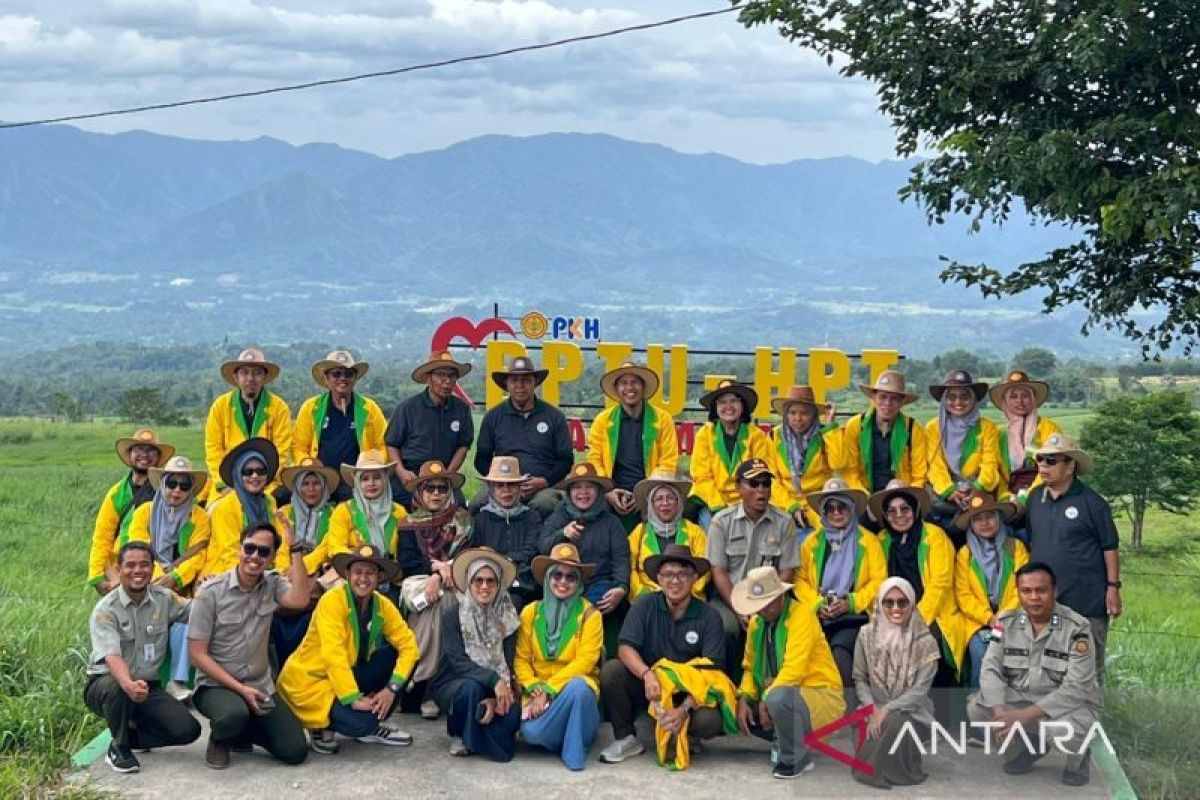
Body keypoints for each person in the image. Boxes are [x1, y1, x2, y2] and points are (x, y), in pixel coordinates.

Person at [188, 519, 313, 769]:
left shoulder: (272, 584)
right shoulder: (210, 592)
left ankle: (243, 731)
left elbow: (300, 600)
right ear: (239, 548)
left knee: (295, 750)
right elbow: (197, 654)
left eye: (264, 552)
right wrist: (240, 689)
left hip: (259, 685)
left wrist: (296, 548)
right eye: (250, 548)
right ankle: (221, 738)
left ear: (272, 558)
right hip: (216, 686)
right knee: (233, 714)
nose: (255, 556)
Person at [966, 562, 1101, 786]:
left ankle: (1078, 759)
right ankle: (1026, 749)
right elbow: (990, 668)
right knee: (978, 709)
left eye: (1041, 590)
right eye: (1026, 591)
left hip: (1065, 705)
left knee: (1065, 732)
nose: (1034, 597)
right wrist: (1000, 713)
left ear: (1054, 591)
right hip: (1021, 697)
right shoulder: (1003, 623)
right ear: (1018, 593)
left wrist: (1022, 716)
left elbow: (1076, 689)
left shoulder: (1077, 628)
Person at [278, 544, 420, 755]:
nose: (363, 578)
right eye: (358, 572)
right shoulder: (332, 601)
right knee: (361, 724)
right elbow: (332, 655)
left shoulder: (382, 605)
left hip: (344, 676)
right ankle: (321, 727)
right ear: (347, 574)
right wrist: (352, 698)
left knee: (396, 655)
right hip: (310, 683)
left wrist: (391, 688)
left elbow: (409, 646)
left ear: (379, 577)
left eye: (370, 573)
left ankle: (367, 720)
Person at [598, 545, 731, 768]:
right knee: (612, 671)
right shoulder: (644, 604)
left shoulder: (710, 616)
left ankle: (687, 734)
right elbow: (625, 647)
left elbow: (713, 675)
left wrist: (684, 709)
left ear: (695, 578)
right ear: (659, 578)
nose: (675, 581)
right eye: (668, 574)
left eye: (683, 574)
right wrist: (646, 673)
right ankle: (627, 738)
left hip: (688, 694)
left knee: (710, 720)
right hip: (653, 690)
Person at [84, 541, 200, 774]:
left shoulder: (164, 598)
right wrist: (128, 684)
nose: (138, 571)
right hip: (108, 685)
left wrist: (214, 592)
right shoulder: (106, 610)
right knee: (116, 688)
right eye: (130, 565)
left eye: (145, 565)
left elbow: (198, 611)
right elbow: (112, 656)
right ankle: (119, 747)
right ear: (119, 569)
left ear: (152, 567)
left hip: (147, 687)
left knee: (188, 730)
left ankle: (131, 735)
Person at [1024, 434, 1121, 682]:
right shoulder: (1035, 499)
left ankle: (1088, 720)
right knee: (1048, 670)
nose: (1043, 467)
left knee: (1087, 669)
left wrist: (1113, 588)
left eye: (1051, 461)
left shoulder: (1093, 503)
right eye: (1041, 460)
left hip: (1086, 600)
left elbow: (1109, 547)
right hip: (1047, 602)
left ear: (1070, 467)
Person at [733, 566, 844, 781]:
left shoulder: (802, 615)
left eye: (770, 601)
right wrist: (744, 697)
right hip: (777, 691)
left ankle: (796, 758)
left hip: (818, 694)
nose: (764, 608)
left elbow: (794, 669)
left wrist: (766, 699)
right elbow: (749, 666)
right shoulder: (757, 623)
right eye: (759, 604)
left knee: (778, 697)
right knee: (733, 700)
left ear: (782, 595)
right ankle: (782, 736)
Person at [867, 479, 965, 720]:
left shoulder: (935, 536)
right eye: (892, 511)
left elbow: (940, 585)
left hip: (933, 612)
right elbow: (874, 584)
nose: (899, 516)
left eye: (905, 509)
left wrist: (916, 619)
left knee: (927, 643)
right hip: (893, 612)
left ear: (915, 510)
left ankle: (940, 717)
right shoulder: (880, 540)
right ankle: (896, 716)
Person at [121, 455, 211, 701]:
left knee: (188, 615)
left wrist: (177, 578)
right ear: (162, 484)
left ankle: (177, 680)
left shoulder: (199, 517)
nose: (177, 491)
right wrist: (159, 576)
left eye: (184, 486)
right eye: (172, 483)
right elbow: (138, 546)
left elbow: (199, 554)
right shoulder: (145, 512)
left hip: (183, 585)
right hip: (148, 580)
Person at [795, 477, 886, 705]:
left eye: (842, 507)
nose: (836, 513)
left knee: (840, 651)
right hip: (818, 614)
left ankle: (851, 711)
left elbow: (879, 581)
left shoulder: (868, 541)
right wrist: (817, 604)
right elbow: (799, 580)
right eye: (830, 508)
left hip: (854, 616)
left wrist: (852, 602)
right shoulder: (811, 543)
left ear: (852, 509)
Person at [514, 543, 604, 771]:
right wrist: (535, 687)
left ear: (579, 583)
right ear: (547, 578)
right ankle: (571, 735)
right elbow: (521, 659)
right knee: (531, 733)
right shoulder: (530, 612)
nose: (563, 582)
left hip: (572, 692)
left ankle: (573, 753)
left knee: (579, 689)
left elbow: (586, 661)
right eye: (557, 574)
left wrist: (550, 690)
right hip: (537, 692)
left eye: (571, 577)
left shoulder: (590, 615)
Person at [706, 458, 798, 678]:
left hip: (769, 597)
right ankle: (728, 687)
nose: (761, 490)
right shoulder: (721, 522)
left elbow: (787, 570)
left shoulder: (784, 522)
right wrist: (739, 607)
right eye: (754, 484)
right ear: (739, 488)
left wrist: (766, 603)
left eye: (766, 484)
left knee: (784, 626)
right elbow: (718, 570)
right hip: (728, 598)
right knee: (727, 628)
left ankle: (771, 688)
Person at [429, 548, 522, 761]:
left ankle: (478, 730)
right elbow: (458, 662)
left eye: (491, 581)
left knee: (512, 715)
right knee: (470, 689)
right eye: (478, 580)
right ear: (469, 583)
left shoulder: (508, 614)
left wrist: (499, 693)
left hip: (498, 684)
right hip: (457, 682)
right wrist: (493, 681)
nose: (484, 587)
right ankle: (459, 733)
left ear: (499, 584)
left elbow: (509, 660)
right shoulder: (453, 614)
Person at [397, 460, 473, 718]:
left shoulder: (463, 520)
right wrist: (435, 571)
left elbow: (468, 557)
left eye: (442, 488)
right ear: (420, 491)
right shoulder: (407, 523)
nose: (437, 494)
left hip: (454, 580)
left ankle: (421, 683)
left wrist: (444, 571)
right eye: (430, 488)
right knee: (432, 602)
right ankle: (428, 686)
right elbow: (407, 563)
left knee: (443, 604)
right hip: (418, 582)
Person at [851, 577, 940, 790]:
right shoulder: (865, 635)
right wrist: (872, 708)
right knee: (869, 730)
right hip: (872, 709)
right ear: (880, 604)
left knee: (896, 723)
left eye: (902, 602)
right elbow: (860, 678)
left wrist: (887, 709)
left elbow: (919, 691)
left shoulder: (926, 642)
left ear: (912, 604)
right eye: (888, 602)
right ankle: (877, 765)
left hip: (912, 712)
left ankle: (875, 771)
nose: (896, 608)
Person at [473, 356, 572, 519]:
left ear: (535, 383)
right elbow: (482, 459)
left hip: (541, 486)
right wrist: (500, 483)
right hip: (502, 483)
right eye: (514, 380)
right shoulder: (493, 416)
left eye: (526, 380)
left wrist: (545, 480)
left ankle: (543, 544)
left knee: (545, 504)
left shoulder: (554, 416)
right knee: (478, 503)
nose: (520, 386)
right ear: (506, 384)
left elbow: (566, 460)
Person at [538, 463, 631, 638]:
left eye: (589, 487)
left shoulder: (611, 522)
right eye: (577, 488)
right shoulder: (558, 516)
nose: (583, 493)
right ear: (569, 492)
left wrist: (621, 586)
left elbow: (621, 557)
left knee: (598, 605)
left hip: (599, 582)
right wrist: (562, 534)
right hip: (564, 581)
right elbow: (542, 547)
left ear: (598, 491)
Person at [586, 361, 679, 530]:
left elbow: (668, 461)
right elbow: (594, 459)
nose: (630, 387)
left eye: (635, 382)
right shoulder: (603, 420)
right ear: (616, 389)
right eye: (624, 383)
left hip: (650, 490)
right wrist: (608, 491)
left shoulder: (662, 419)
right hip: (612, 490)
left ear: (643, 387)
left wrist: (645, 494)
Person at [954, 494, 1030, 691]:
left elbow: (1023, 587)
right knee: (981, 654)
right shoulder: (965, 553)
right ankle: (978, 712)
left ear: (999, 518)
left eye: (989, 517)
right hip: (978, 622)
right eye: (977, 519)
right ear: (971, 524)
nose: (984, 523)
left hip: (1013, 617)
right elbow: (963, 595)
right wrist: (989, 618)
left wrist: (1004, 616)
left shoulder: (1016, 548)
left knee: (1015, 656)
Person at [271, 457, 341, 666]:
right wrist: (288, 569)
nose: (311, 489)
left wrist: (301, 566)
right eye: (305, 483)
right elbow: (280, 546)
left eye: (316, 483)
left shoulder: (335, 513)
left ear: (325, 486)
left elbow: (327, 546)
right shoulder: (284, 512)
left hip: (316, 576)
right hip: (286, 574)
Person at [292, 350, 387, 503]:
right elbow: (298, 447)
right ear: (327, 378)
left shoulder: (370, 409)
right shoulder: (311, 408)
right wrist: (308, 464)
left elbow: (383, 445)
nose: (342, 379)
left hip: (356, 481)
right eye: (336, 374)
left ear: (355, 378)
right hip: (318, 479)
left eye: (348, 374)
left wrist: (370, 466)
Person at [88, 428, 175, 593]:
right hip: (119, 570)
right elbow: (102, 536)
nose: (145, 455)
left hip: (156, 571)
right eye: (139, 449)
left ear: (158, 458)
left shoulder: (170, 490)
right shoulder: (117, 493)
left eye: (151, 451)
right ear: (130, 454)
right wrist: (97, 576)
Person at [386, 351, 474, 508]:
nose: (447, 381)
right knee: (394, 508)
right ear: (428, 378)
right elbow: (392, 444)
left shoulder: (461, 409)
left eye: (452, 376)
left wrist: (448, 475)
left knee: (460, 508)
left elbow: (463, 446)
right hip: (412, 475)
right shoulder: (408, 408)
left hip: (443, 475)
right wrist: (401, 472)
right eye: (441, 375)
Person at [203, 348, 292, 502]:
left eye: (257, 373)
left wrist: (260, 484)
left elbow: (281, 454)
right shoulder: (220, 406)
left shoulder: (279, 408)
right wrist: (224, 484)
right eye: (244, 372)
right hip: (228, 483)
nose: (250, 378)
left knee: (274, 510)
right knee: (216, 512)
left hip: (266, 482)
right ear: (236, 376)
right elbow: (213, 450)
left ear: (265, 377)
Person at [685, 379, 775, 528]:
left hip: (747, 503)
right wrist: (719, 507)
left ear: (742, 405)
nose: (728, 407)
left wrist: (743, 506)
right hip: (711, 503)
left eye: (733, 401)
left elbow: (761, 475)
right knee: (715, 531)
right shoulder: (704, 434)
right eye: (722, 402)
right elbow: (701, 477)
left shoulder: (757, 436)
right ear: (715, 408)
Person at [926, 369, 1002, 543]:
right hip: (944, 498)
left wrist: (976, 488)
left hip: (976, 495)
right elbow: (934, 464)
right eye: (951, 397)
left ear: (974, 400)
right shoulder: (933, 428)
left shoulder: (987, 427)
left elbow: (990, 464)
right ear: (944, 400)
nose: (958, 402)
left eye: (964, 397)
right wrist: (950, 491)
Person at [839, 371, 927, 508]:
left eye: (894, 399)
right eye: (882, 397)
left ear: (902, 402)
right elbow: (850, 471)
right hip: (866, 493)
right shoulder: (855, 426)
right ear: (874, 397)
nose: (887, 403)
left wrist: (907, 498)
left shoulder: (913, 429)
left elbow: (919, 474)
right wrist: (864, 496)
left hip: (902, 494)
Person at [203, 438, 282, 579]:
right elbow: (229, 553)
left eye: (261, 471)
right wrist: (258, 578)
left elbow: (278, 542)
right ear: (238, 474)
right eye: (248, 471)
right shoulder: (224, 507)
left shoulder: (270, 502)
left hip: (262, 570)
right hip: (225, 574)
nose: (255, 476)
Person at [471, 455, 543, 609]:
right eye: (500, 486)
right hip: (488, 581)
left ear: (519, 488)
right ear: (491, 489)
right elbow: (476, 553)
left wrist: (498, 558)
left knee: (511, 603)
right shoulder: (481, 518)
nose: (506, 491)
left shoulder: (531, 516)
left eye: (512, 485)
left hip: (522, 583)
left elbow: (531, 551)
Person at [767, 385, 841, 534]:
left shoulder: (825, 435)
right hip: (784, 503)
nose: (798, 418)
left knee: (830, 536)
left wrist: (831, 427)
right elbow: (772, 479)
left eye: (804, 413)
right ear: (786, 414)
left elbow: (839, 464)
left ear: (814, 415)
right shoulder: (774, 436)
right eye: (792, 412)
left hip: (818, 504)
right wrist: (791, 506)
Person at [627, 470, 709, 602]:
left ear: (678, 503)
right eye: (659, 498)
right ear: (651, 504)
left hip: (688, 601)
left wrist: (683, 594)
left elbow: (705, 569)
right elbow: (630, 569)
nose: (665, 503)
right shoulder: (639, 532)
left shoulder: (694, 531)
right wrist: (645, 595)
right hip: (649, 602)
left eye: (670, 497)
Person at [990, 369, 1062, 502]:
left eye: (1025, 396)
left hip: (1045, 495)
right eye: (1013, 397)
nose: (1020, 401)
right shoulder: (999, 433)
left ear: (1033, 399)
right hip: (1009, 499)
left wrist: (1026, 497)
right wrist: (1005, 497)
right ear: (1005, 402)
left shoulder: (1049, 428)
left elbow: (1052, 466)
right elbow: (997, 473)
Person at [325, 449, 409, 562]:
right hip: (355, 572)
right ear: (358, 483)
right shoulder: (343, 510)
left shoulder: (399, 512)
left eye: (377, 477)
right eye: (365, 479)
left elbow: (408, 549)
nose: (371, 483)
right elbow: (336, 548)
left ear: (385, 480)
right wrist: (365, 560)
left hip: (393, 574)